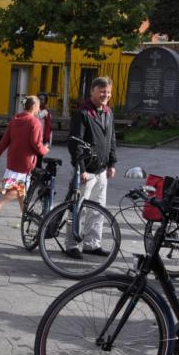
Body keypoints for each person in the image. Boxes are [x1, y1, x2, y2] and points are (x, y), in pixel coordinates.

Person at [65, 76, 117, 259]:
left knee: (98, 209)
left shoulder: (108, 112)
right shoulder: (83, 113)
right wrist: (81, 168)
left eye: (108, 91)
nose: (106, 94)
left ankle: (92, 244)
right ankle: (72, 245)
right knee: (78, 208)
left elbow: (111, 139)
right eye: (102, 91)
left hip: (101, 170)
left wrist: (112, 163)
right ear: (92, 91)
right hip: (86, 171)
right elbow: (75, 143)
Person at [0, 95, 50, 221]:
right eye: (38, 106)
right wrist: (44, 150)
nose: (39, 109)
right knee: (19, 188)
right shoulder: (35, 122)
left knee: (22, 188)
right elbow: (35, 143)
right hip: (26, 160)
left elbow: (5, 139)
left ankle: (24, 212)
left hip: (13, 157)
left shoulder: (15, 119)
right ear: (34, 107)